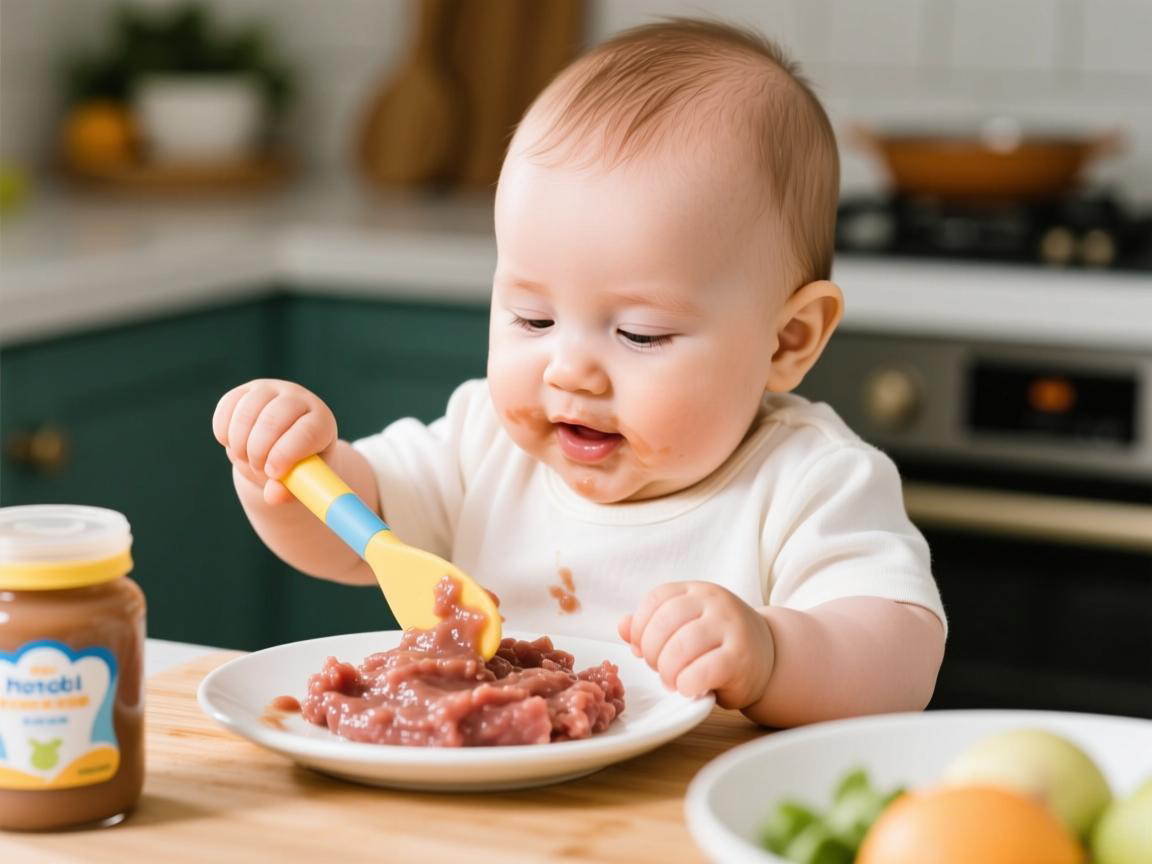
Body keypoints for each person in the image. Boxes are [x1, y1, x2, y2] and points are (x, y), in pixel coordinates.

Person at [212, 19, 945, 728]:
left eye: (639, 333)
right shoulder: (483, 444)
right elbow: (359, 533)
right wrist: (289, 473)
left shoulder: (809, 482)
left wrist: (774, 652)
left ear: (787, 338)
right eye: (532, 319)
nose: (569, 371)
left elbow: (901, 657)